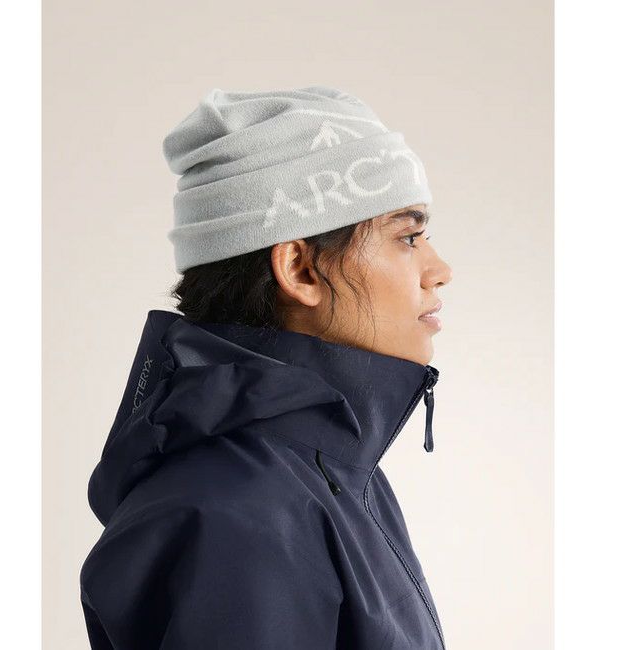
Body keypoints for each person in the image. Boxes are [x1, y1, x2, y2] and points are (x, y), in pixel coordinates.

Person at [80, 86, 453, 649]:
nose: (439, 269)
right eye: (408, 237)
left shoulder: (333, 472)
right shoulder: (237, 516)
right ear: (300, 270)